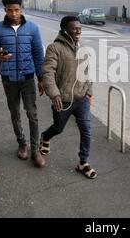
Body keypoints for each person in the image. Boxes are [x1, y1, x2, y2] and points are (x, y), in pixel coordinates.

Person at [0, 0, 46, 168]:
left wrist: (40, 78)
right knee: (15, 113)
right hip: (9, 79)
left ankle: (35, 150)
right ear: (5, 9)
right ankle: (22, 144)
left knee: (32, 114)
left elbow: (38, 54)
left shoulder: (33, 28)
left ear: (21, 8)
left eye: (17, 10)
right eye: (10, 10)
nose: (14, 14)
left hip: (27, 78)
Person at [39, 16, 96, 179]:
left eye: (79, 28)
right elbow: (48, 72)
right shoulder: (54, 48)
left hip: (81, 98)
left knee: (86, 131)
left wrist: (89, 92)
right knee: (58, 128)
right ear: (64, 30)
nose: (78, 31)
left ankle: (83, 162)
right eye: (74, 28)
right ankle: (45, 136)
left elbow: (88, 73)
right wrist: (54, 93)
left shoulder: (83, 49)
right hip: (62, 99)